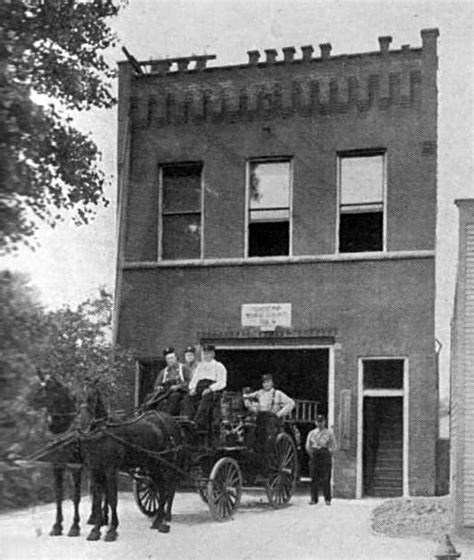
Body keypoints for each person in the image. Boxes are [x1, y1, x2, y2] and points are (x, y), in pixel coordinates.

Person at [182, 344, 227, 431]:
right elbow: (194, 380)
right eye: (204, 354)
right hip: (199, 388)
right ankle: (189, 420)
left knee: (207, 397)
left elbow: (222, 382)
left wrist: (210, 388)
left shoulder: (218, 366)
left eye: (208, 353)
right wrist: (192, 388)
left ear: (213, 354)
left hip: (212, 390)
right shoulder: (200, 367)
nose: (205, 356)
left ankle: (198, 422)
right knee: (187, 398)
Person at [144, 347, 192, 415]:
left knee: (174, 396)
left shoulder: (183, 368)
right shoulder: (163, 372)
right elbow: (157, 384)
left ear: (176, 358)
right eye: (168, 359)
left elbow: (191, 382)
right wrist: (158, 387)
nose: (170, 360)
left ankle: (168, 416)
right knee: (150, 398)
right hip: (166, 392)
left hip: (180, 392)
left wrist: (178, 386)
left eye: (172, 358)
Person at [305, 414, 337, 506]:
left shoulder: (329, 433)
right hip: (315, 455)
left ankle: (327, 499)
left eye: (321, 421)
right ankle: (314, 499)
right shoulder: (312, 433)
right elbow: (308, 445)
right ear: (315, 422)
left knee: (326, 478)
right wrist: (311, 454)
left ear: (324, 422)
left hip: (325, 455)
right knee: (314, 478)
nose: (320, 423)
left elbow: (334, 446)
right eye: (318, 421)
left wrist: (328, 454)